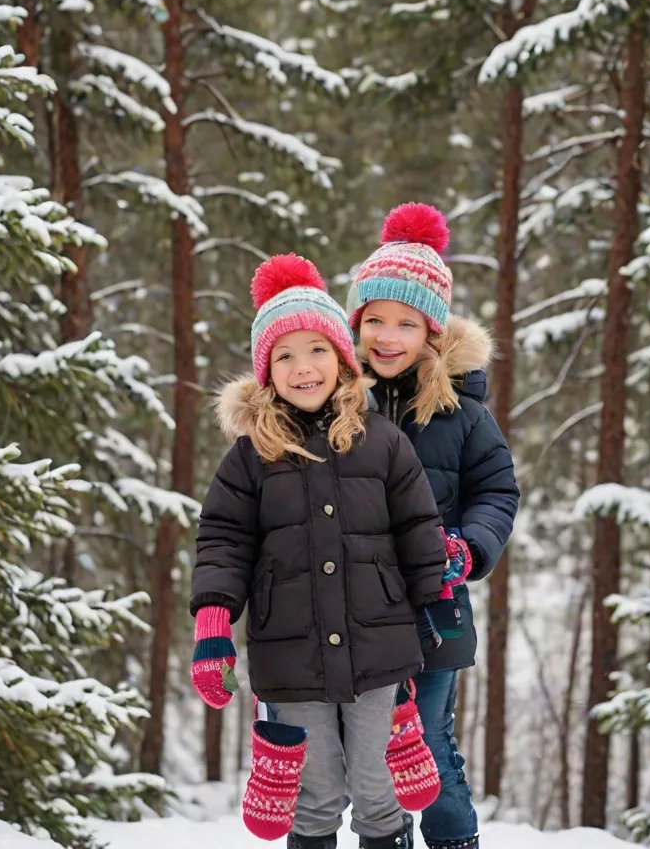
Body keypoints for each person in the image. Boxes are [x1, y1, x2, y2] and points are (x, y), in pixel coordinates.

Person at [189, 253, 447, 849]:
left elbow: (418, 526)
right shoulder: (250, 456)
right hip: (291, 656)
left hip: (379, 649)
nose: (303, 368)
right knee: (315, 794)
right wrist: (213, 626)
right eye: (285, 355)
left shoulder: (382, 442)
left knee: (379, 789)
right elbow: (223, 541)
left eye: (317, 351)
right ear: (266, 370)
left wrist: (434, 602)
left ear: (342, 358)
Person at [346, 204, 521, 849]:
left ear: (433, 333)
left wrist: (469, 547)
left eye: (406, 323)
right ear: (355, 325)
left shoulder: (464, 417)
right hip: (353, 609)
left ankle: (453, 840)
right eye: (375, 321)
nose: (387, 337)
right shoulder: (333, 405)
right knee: (367, 750)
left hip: (433, 603)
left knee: (427, 735)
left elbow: (497, 491)